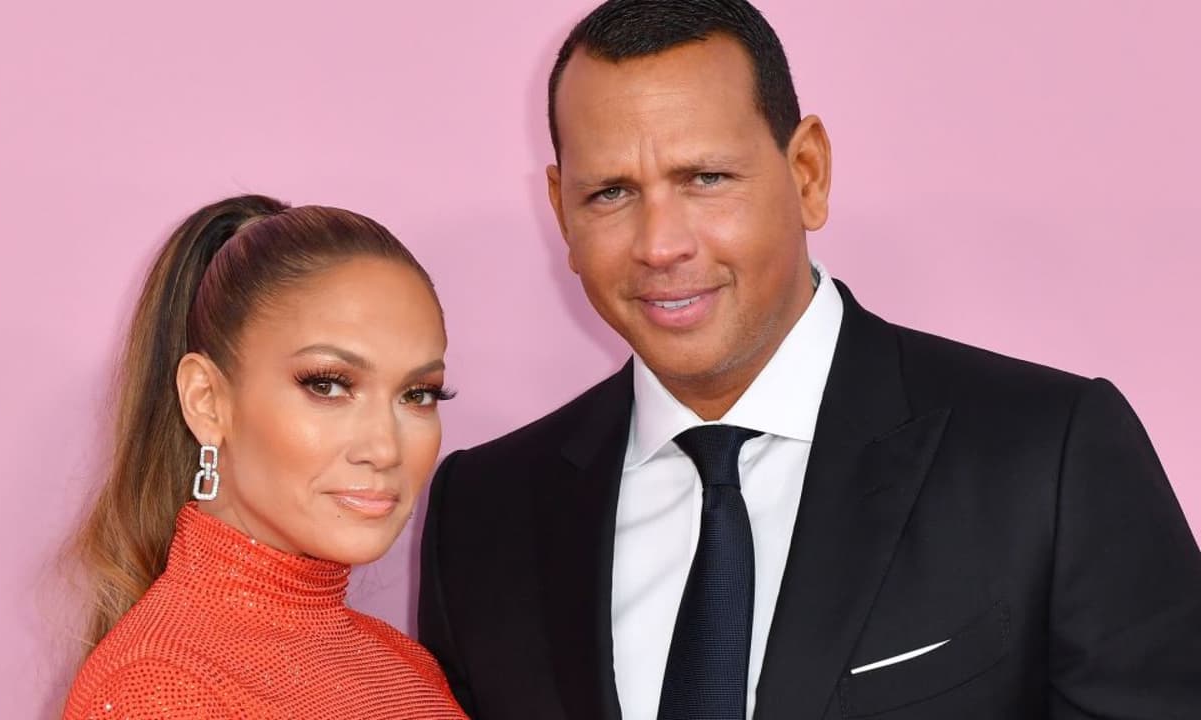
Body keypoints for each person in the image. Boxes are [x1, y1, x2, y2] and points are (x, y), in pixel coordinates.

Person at [417, 1, 1201, 718]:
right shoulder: (483, 514)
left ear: (808, 175)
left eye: (706, 178)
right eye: (611, 194)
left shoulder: (1047, 454)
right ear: (561, 211)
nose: (660, 245)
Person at [63, 195, 467, 719]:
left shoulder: (402, 663)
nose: (385, 449)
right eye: (327, 385)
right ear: (207, 401)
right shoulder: (161, 687)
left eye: (418, 394)